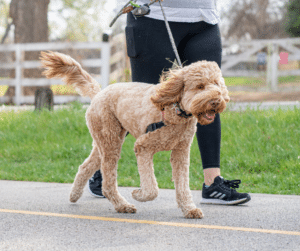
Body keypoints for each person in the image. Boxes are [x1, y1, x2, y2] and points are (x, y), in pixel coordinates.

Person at [89, 0, 251, 205]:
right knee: (141, 105)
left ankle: (212, 183)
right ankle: (100, 169)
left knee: (209, 99)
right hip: (153, 15)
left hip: (204, 18)